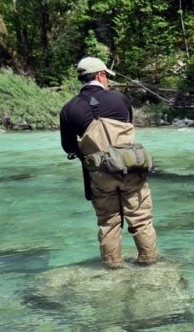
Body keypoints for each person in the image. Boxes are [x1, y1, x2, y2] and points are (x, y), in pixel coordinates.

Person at [59, 56, 158, 268]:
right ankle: (149, 263)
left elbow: (68, 147)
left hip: (99, 175)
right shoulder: (119, 100)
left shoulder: (69, 109)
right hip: (131, 169)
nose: (109, 82)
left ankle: (113, 267)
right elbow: (128, 126)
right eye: (107, 77)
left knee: (109, 222)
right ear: (101, 75)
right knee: (141, 219)